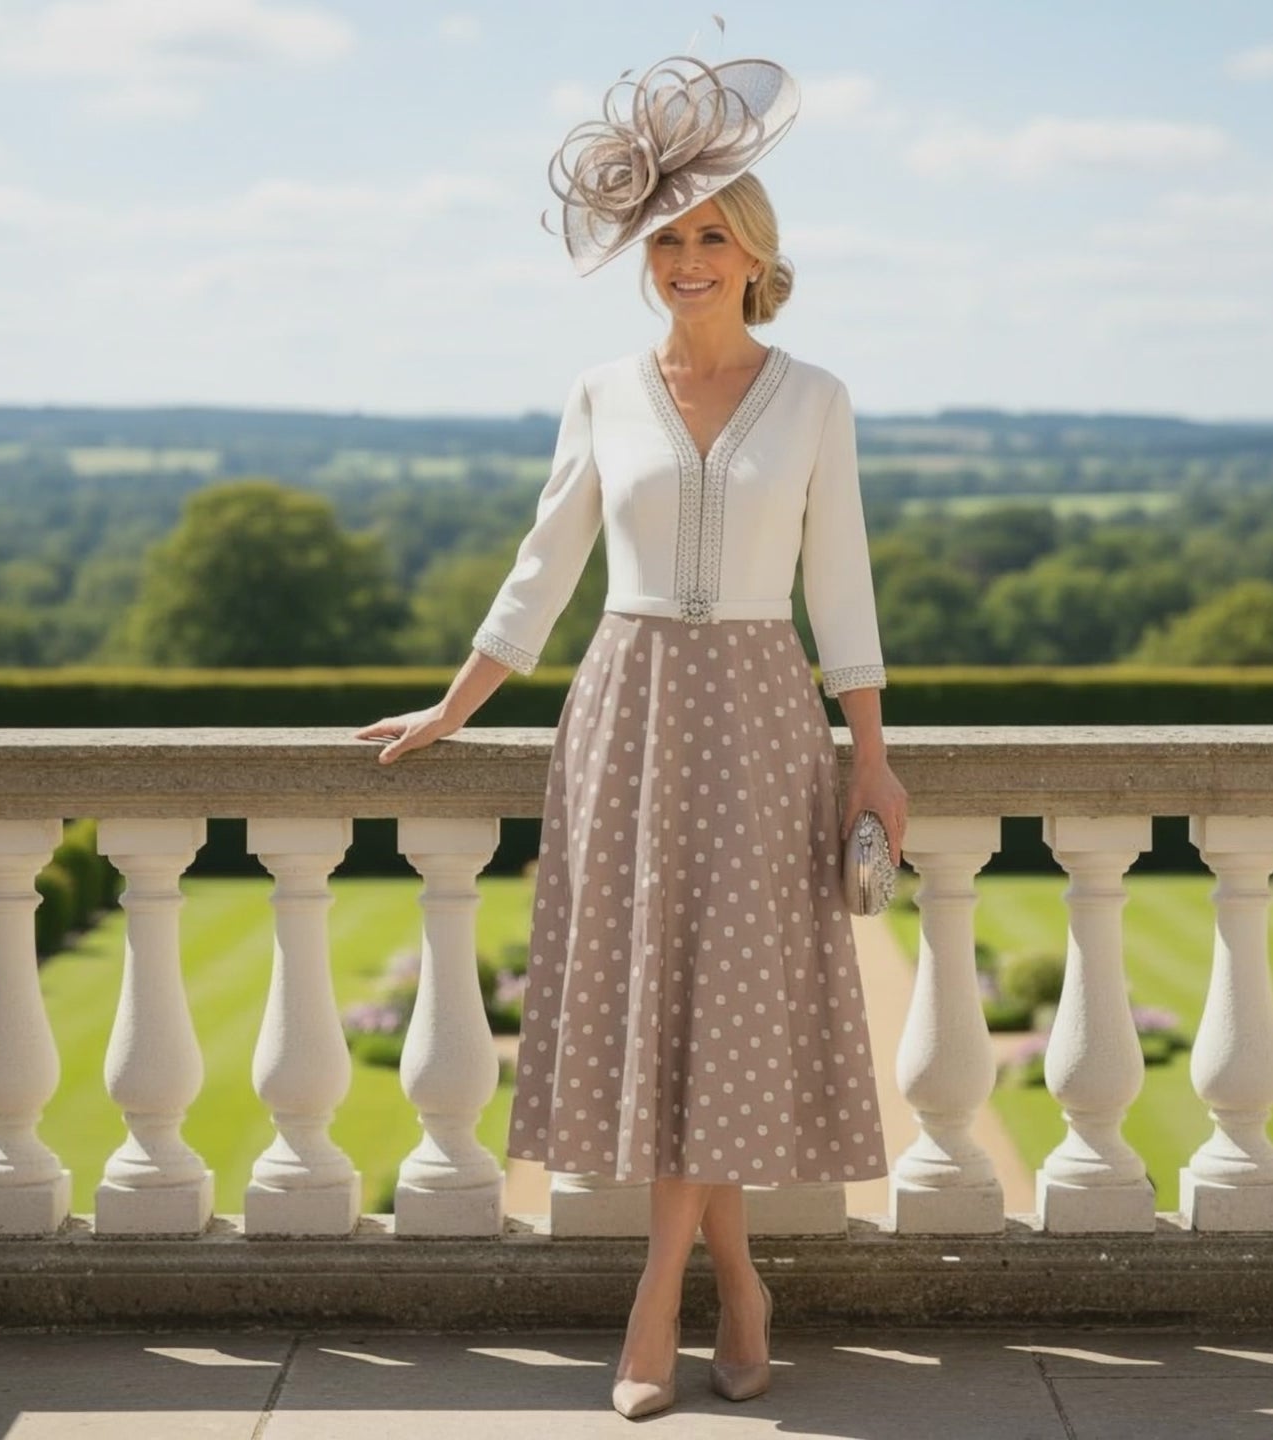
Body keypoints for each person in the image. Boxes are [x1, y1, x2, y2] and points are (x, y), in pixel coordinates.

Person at [355, 46, 908, 1421]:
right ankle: (731, 1270)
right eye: (668, 237)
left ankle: (655, 1304)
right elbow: (541, 574)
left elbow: (840, 588)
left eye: (712, 234)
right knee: (663, 1004)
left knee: (729, 1000)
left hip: (766, 718)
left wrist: (875, 756)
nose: (687, 257)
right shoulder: (602, 390)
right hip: (627, 712)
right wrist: (454, 705)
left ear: (757, 254)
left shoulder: (817, 397)